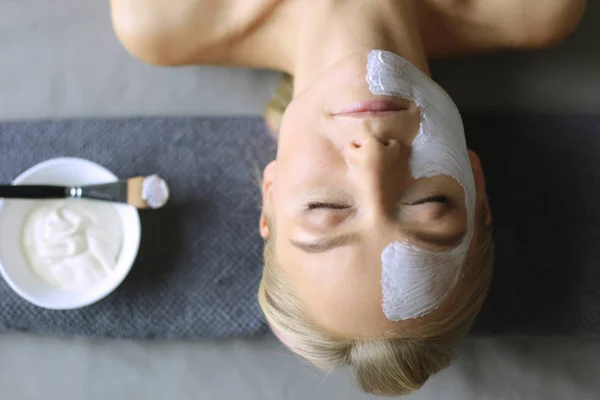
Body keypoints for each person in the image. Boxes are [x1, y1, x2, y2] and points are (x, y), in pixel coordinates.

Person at [110, 0, 586, 395]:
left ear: (271, 194)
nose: (373, 159)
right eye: (428, 205)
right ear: (475, 183)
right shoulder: (536, 7)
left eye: (326, 208)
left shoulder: (163, 18)